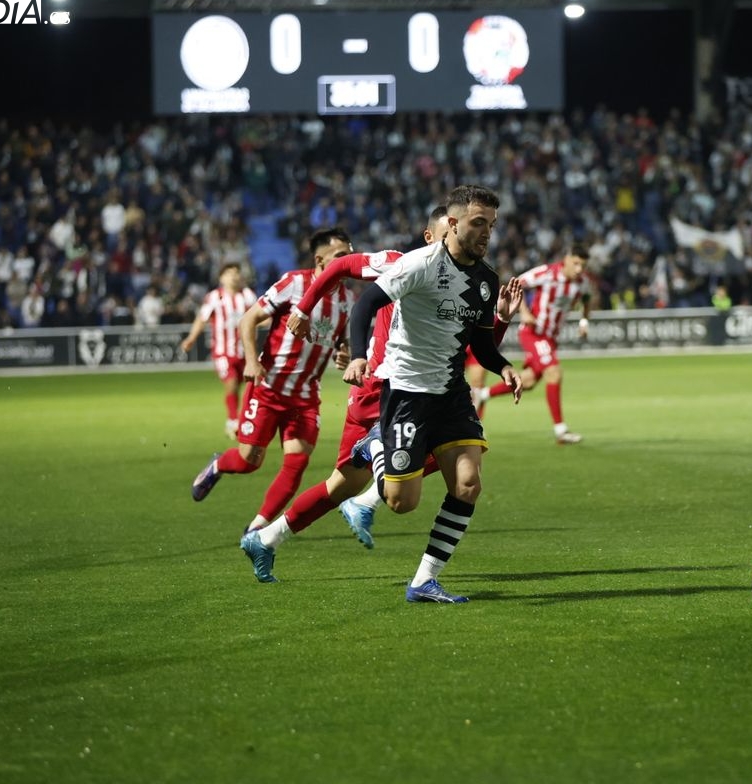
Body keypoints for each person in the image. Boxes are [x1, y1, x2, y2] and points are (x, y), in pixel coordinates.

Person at [236, 208, 522, 578]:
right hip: (384, 389)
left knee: (341, 486)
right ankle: (373, 462)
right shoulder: (401, 263)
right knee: (439, 454)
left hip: (399, 389)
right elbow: (340, 271)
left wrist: (498, 321)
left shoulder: (461, 283)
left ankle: (266, 538)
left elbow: (468, 351)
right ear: (431, 237)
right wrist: (307, 311)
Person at [315, 185, 521, 604]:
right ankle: (376, 445)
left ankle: (424, 581)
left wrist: (504, 367)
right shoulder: (421, 265)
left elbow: (480, 346)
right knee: (400, 502)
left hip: (451, 393)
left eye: (491, 226)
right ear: (453, 222)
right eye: (478, 223)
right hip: (407, 392)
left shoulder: (485, 280)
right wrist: (357, 357)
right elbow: (365, 305)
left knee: (468, 484)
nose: (486, 233)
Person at [189, 228, 353, 574]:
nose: (349, 262)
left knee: (296, 463)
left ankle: (256, 529)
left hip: (305, 395)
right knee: (250, 460)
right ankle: (219, 465)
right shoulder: (294, 283)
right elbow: (249, 319)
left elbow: (340, 341)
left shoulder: (347, 300)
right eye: (341, 256)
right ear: (320, 260)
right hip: (269, 387)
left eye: (350, 255)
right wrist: (251, 360)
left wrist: (344, 354)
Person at [474, 245, 591, 444]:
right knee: (553, 372)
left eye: (583, 265)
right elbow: (516, 284)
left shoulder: (582, 283)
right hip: (533, 334)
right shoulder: (547, 273)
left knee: (527, 382)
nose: (579, 269)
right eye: (576, 263)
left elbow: (587, 299)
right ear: (567, 259)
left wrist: (584, 321)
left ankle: (480, 395)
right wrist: (524, 311)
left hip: (551, 338)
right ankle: (561, 431)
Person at [180, 264, 258, 440]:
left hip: (245, 352)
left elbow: (259, 317)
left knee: (246, 387)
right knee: (230, 383)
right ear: (221, 278)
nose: (234, 277)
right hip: (223, 352)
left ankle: (244, 420)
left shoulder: (248, 295)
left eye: (237, 273)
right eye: (229, 274)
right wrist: (191, 338)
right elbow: (202, 319)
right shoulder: (215, 297)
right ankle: (232, 421)